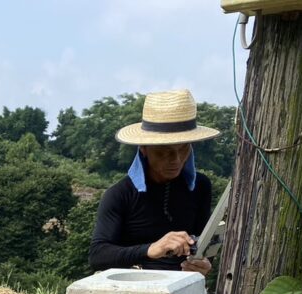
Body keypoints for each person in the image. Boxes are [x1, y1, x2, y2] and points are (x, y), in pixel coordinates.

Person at [89, 89, 219, 276]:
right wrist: (150, 249)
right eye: (163, 152)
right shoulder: (119, 195)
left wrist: (203, 264)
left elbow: (204, 243)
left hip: (182, 286)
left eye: (183, 149)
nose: (175, 160)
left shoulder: (200, 186)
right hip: (133, 287)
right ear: (144, 149)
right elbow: (98, 255)